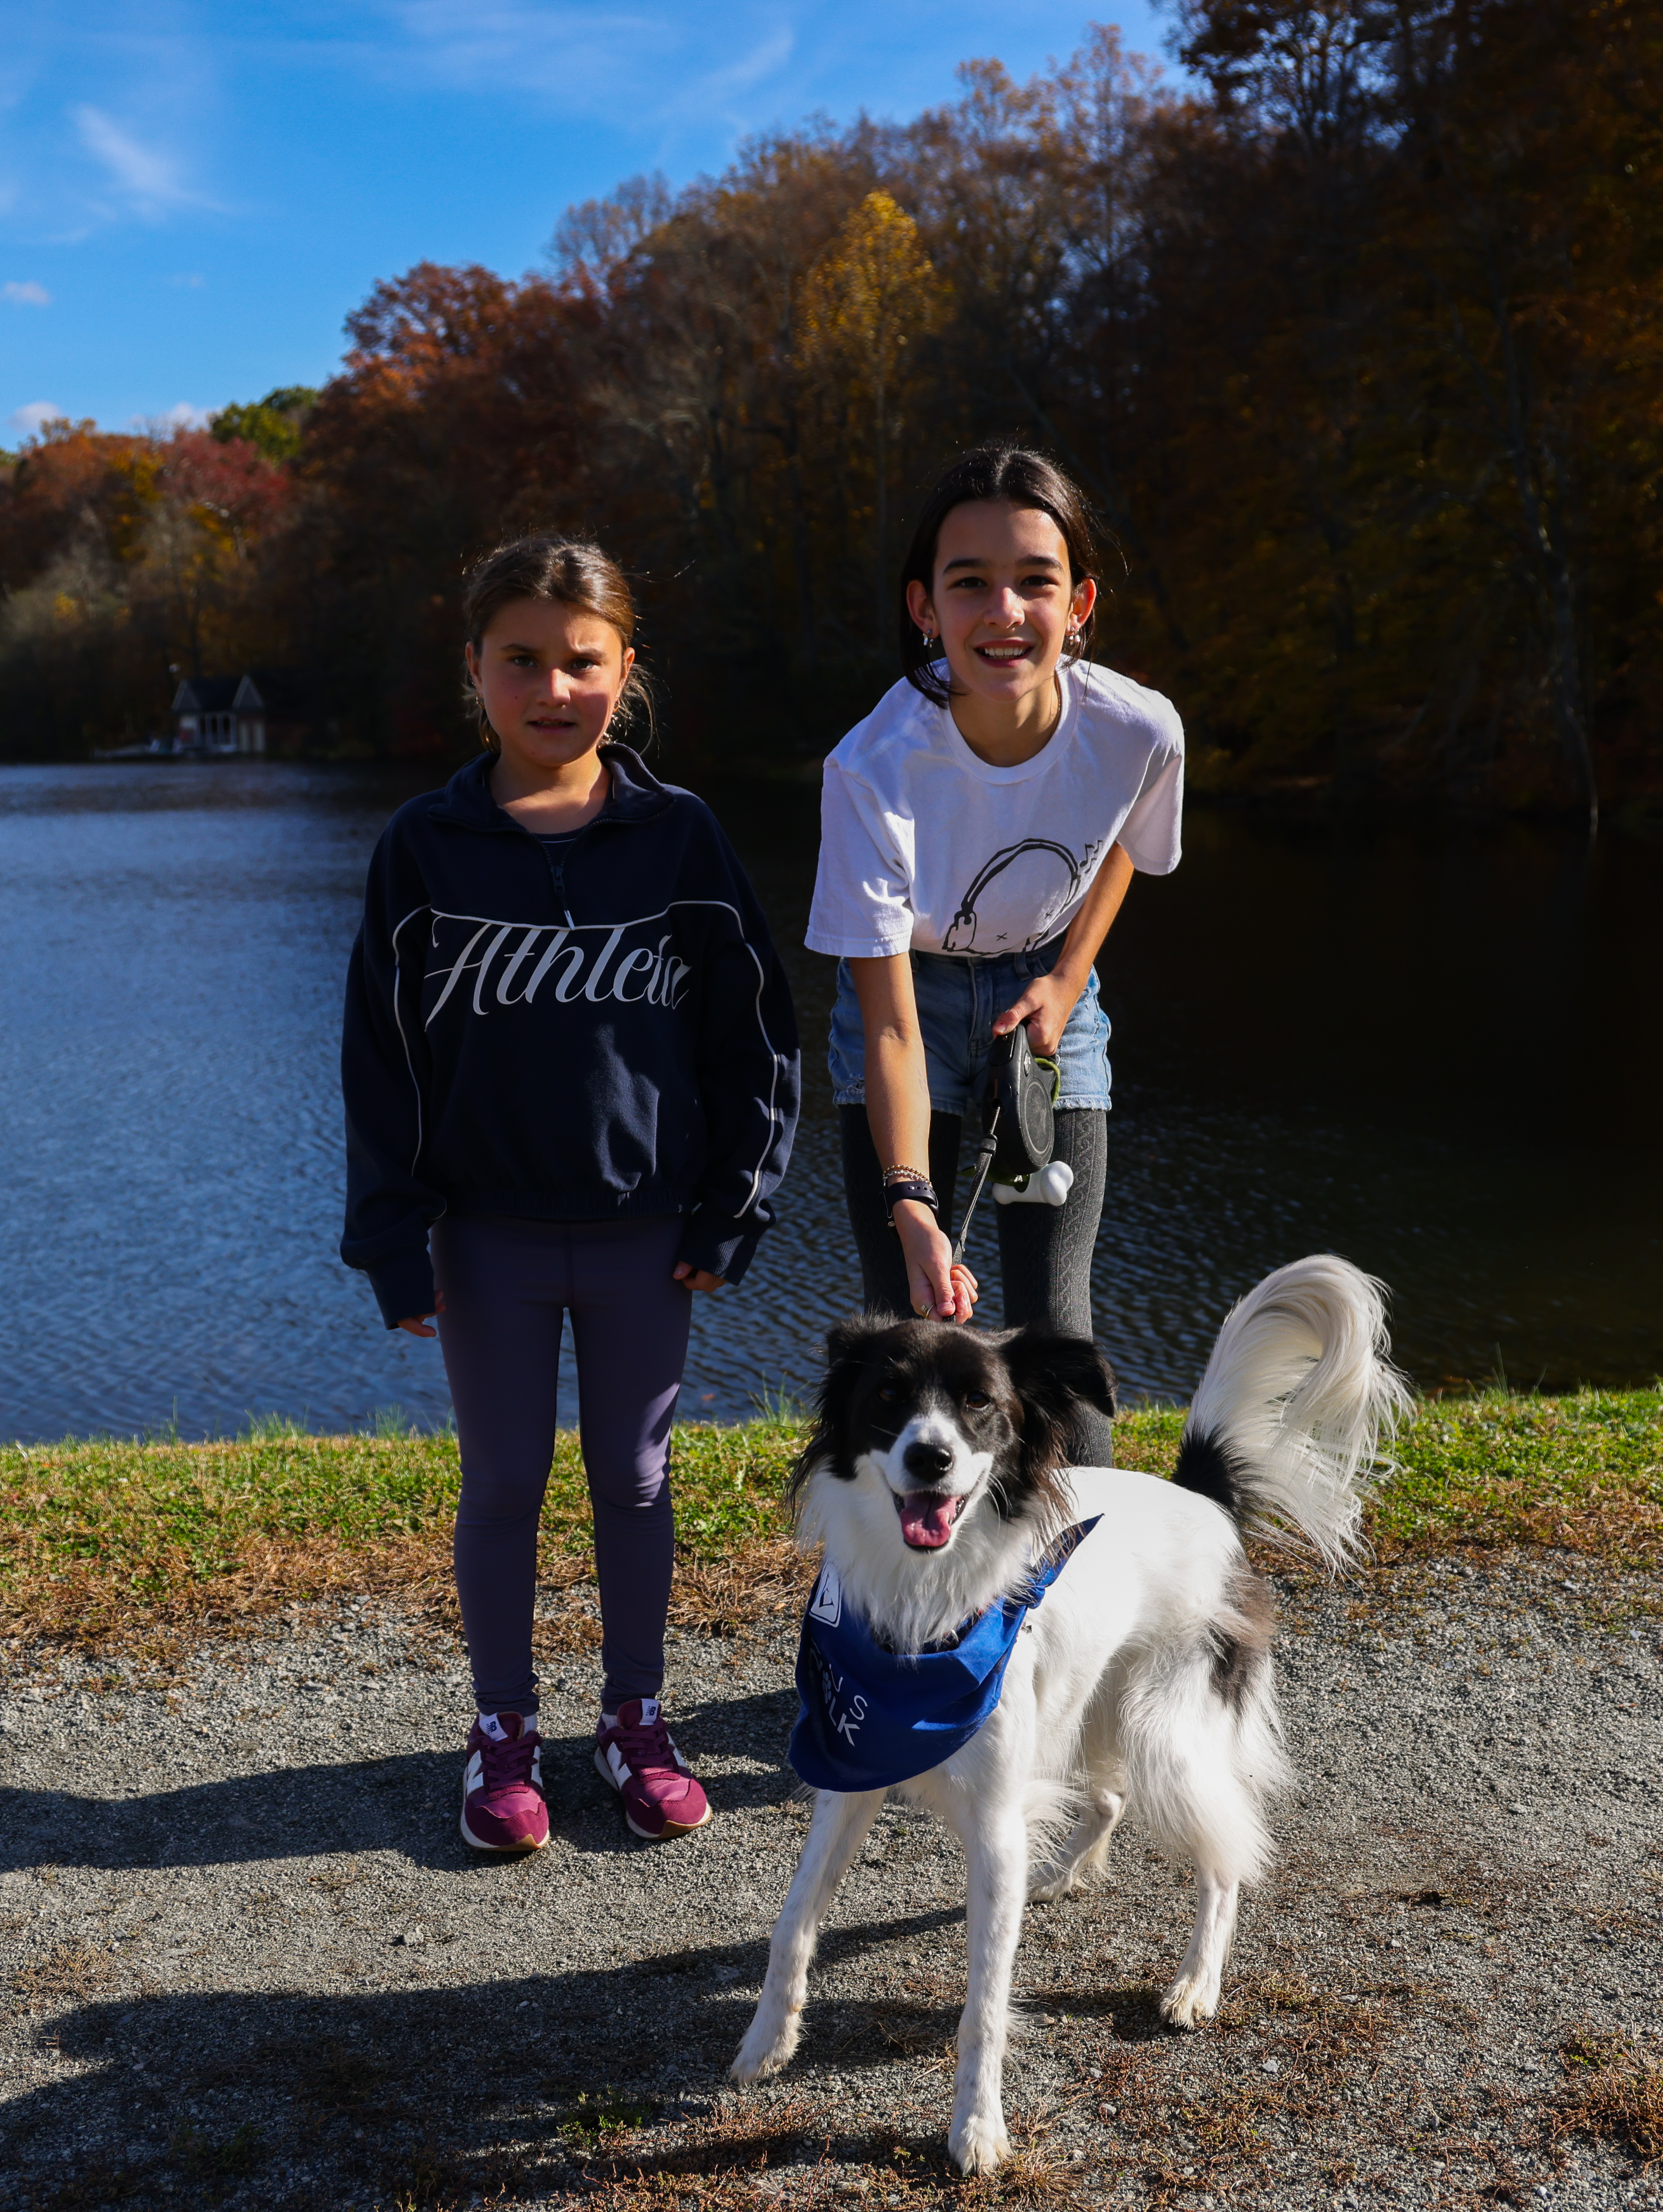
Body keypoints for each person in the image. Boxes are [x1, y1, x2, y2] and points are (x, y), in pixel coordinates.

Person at [339, 536, 802, 1854]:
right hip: (482, 1237)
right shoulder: (425, 847)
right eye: (523, 660)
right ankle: (502, 1737)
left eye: (582, 662)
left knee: (636, 1479)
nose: (555, 688)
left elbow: (754, 1038)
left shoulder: (683, 839)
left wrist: (733, 1209)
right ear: (475, 669)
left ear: (626, 670)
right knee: (503, 1484)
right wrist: (391, 1235)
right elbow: (377, 1057)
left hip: (648, 1236)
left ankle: (634, 1721)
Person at [804, 445, 1182, 1468]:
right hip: (908, 1009)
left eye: (1035, 581)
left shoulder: (1137, 729)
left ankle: (1085, 1577)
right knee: (904, 1324)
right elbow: (885, 1023)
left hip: (1049, 995)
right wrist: (911, 1200)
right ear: (924, 605)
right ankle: (907, 1600)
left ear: (1081, 602)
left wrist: (1064, 979)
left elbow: (1123, 851)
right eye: (969, 583)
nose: (1003, 611)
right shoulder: (872, 767)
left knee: (1055, 1330)